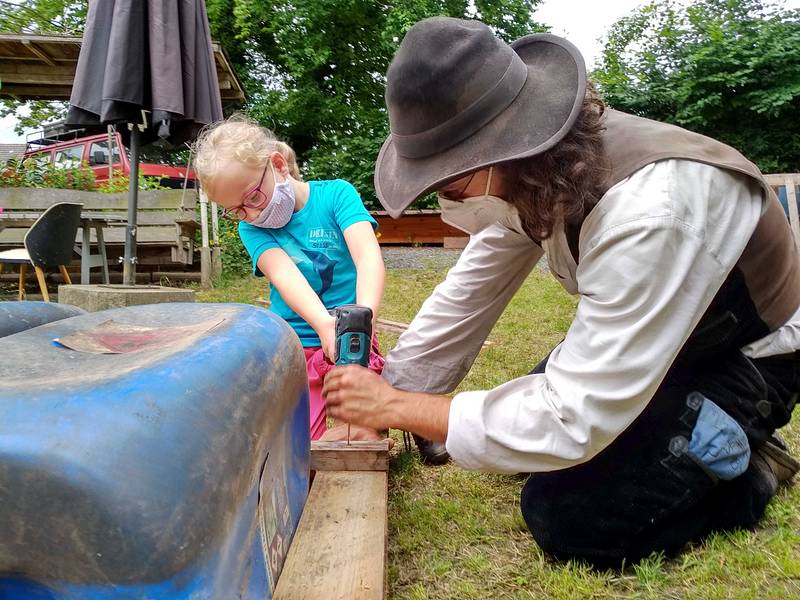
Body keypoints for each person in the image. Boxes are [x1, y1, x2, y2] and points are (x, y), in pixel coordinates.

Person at [323, 17, 800, 566]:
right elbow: (469, 294)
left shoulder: (651, 209)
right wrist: (389, 397)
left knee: (569, 515)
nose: (449, 204)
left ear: (502, 151)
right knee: (516, 442)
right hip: (654, 341)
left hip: (743, 358)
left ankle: (751, 469)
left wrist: (401, 406)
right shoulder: (534, 176)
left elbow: (573, 416)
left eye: (450, 183)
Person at [194, 117, 386, 442]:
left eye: (253, 198)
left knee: (359, 433)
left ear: (278, 165)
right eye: (237, 210)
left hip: (351, 341)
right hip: (295, 345)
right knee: (302, 447)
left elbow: (368, 257)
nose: (251, 214)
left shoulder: (337, 196)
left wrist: (361, 324)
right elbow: (285, 276)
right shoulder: (251, 228)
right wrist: (324, 326)